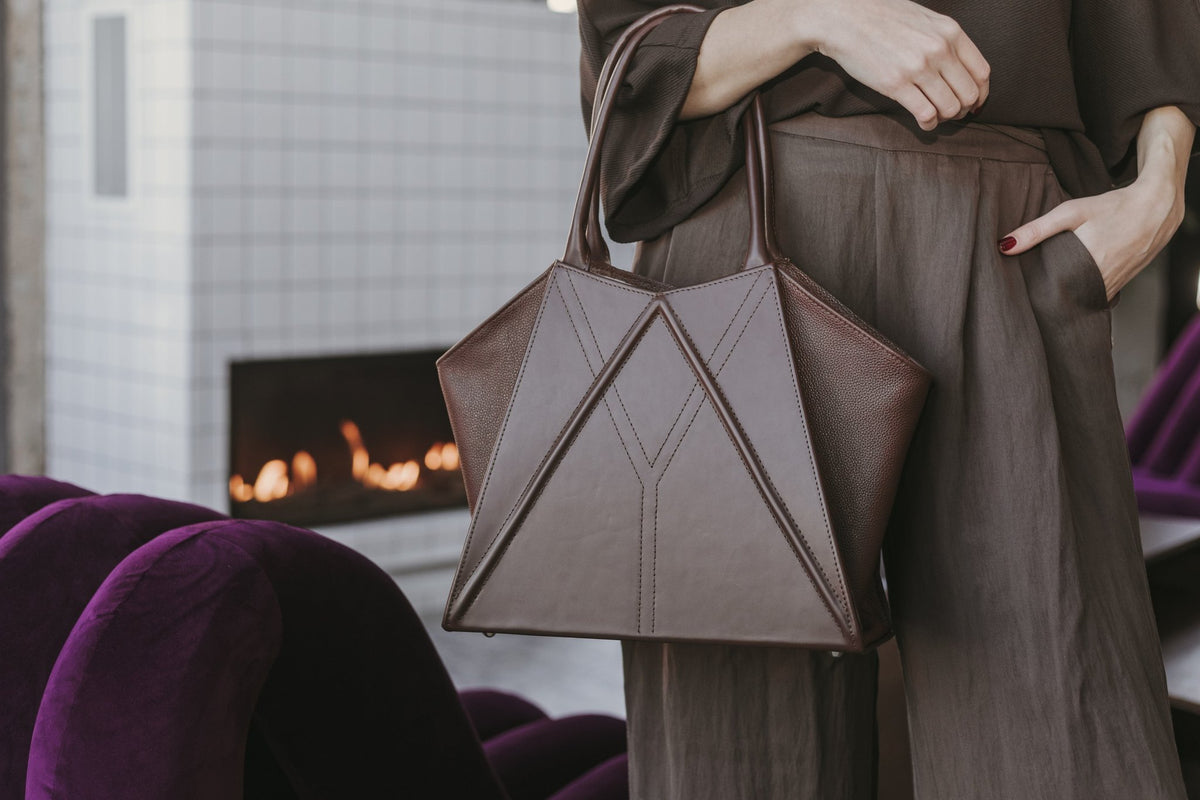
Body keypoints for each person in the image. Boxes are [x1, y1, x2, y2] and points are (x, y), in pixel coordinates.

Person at [575, 0, 1200, 798]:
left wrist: (1160, 186)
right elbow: (631, 54)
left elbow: (1153, 23)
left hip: (1009, 235)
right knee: (738, 744)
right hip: (747, 222)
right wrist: (817, 17)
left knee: (1064, 716)